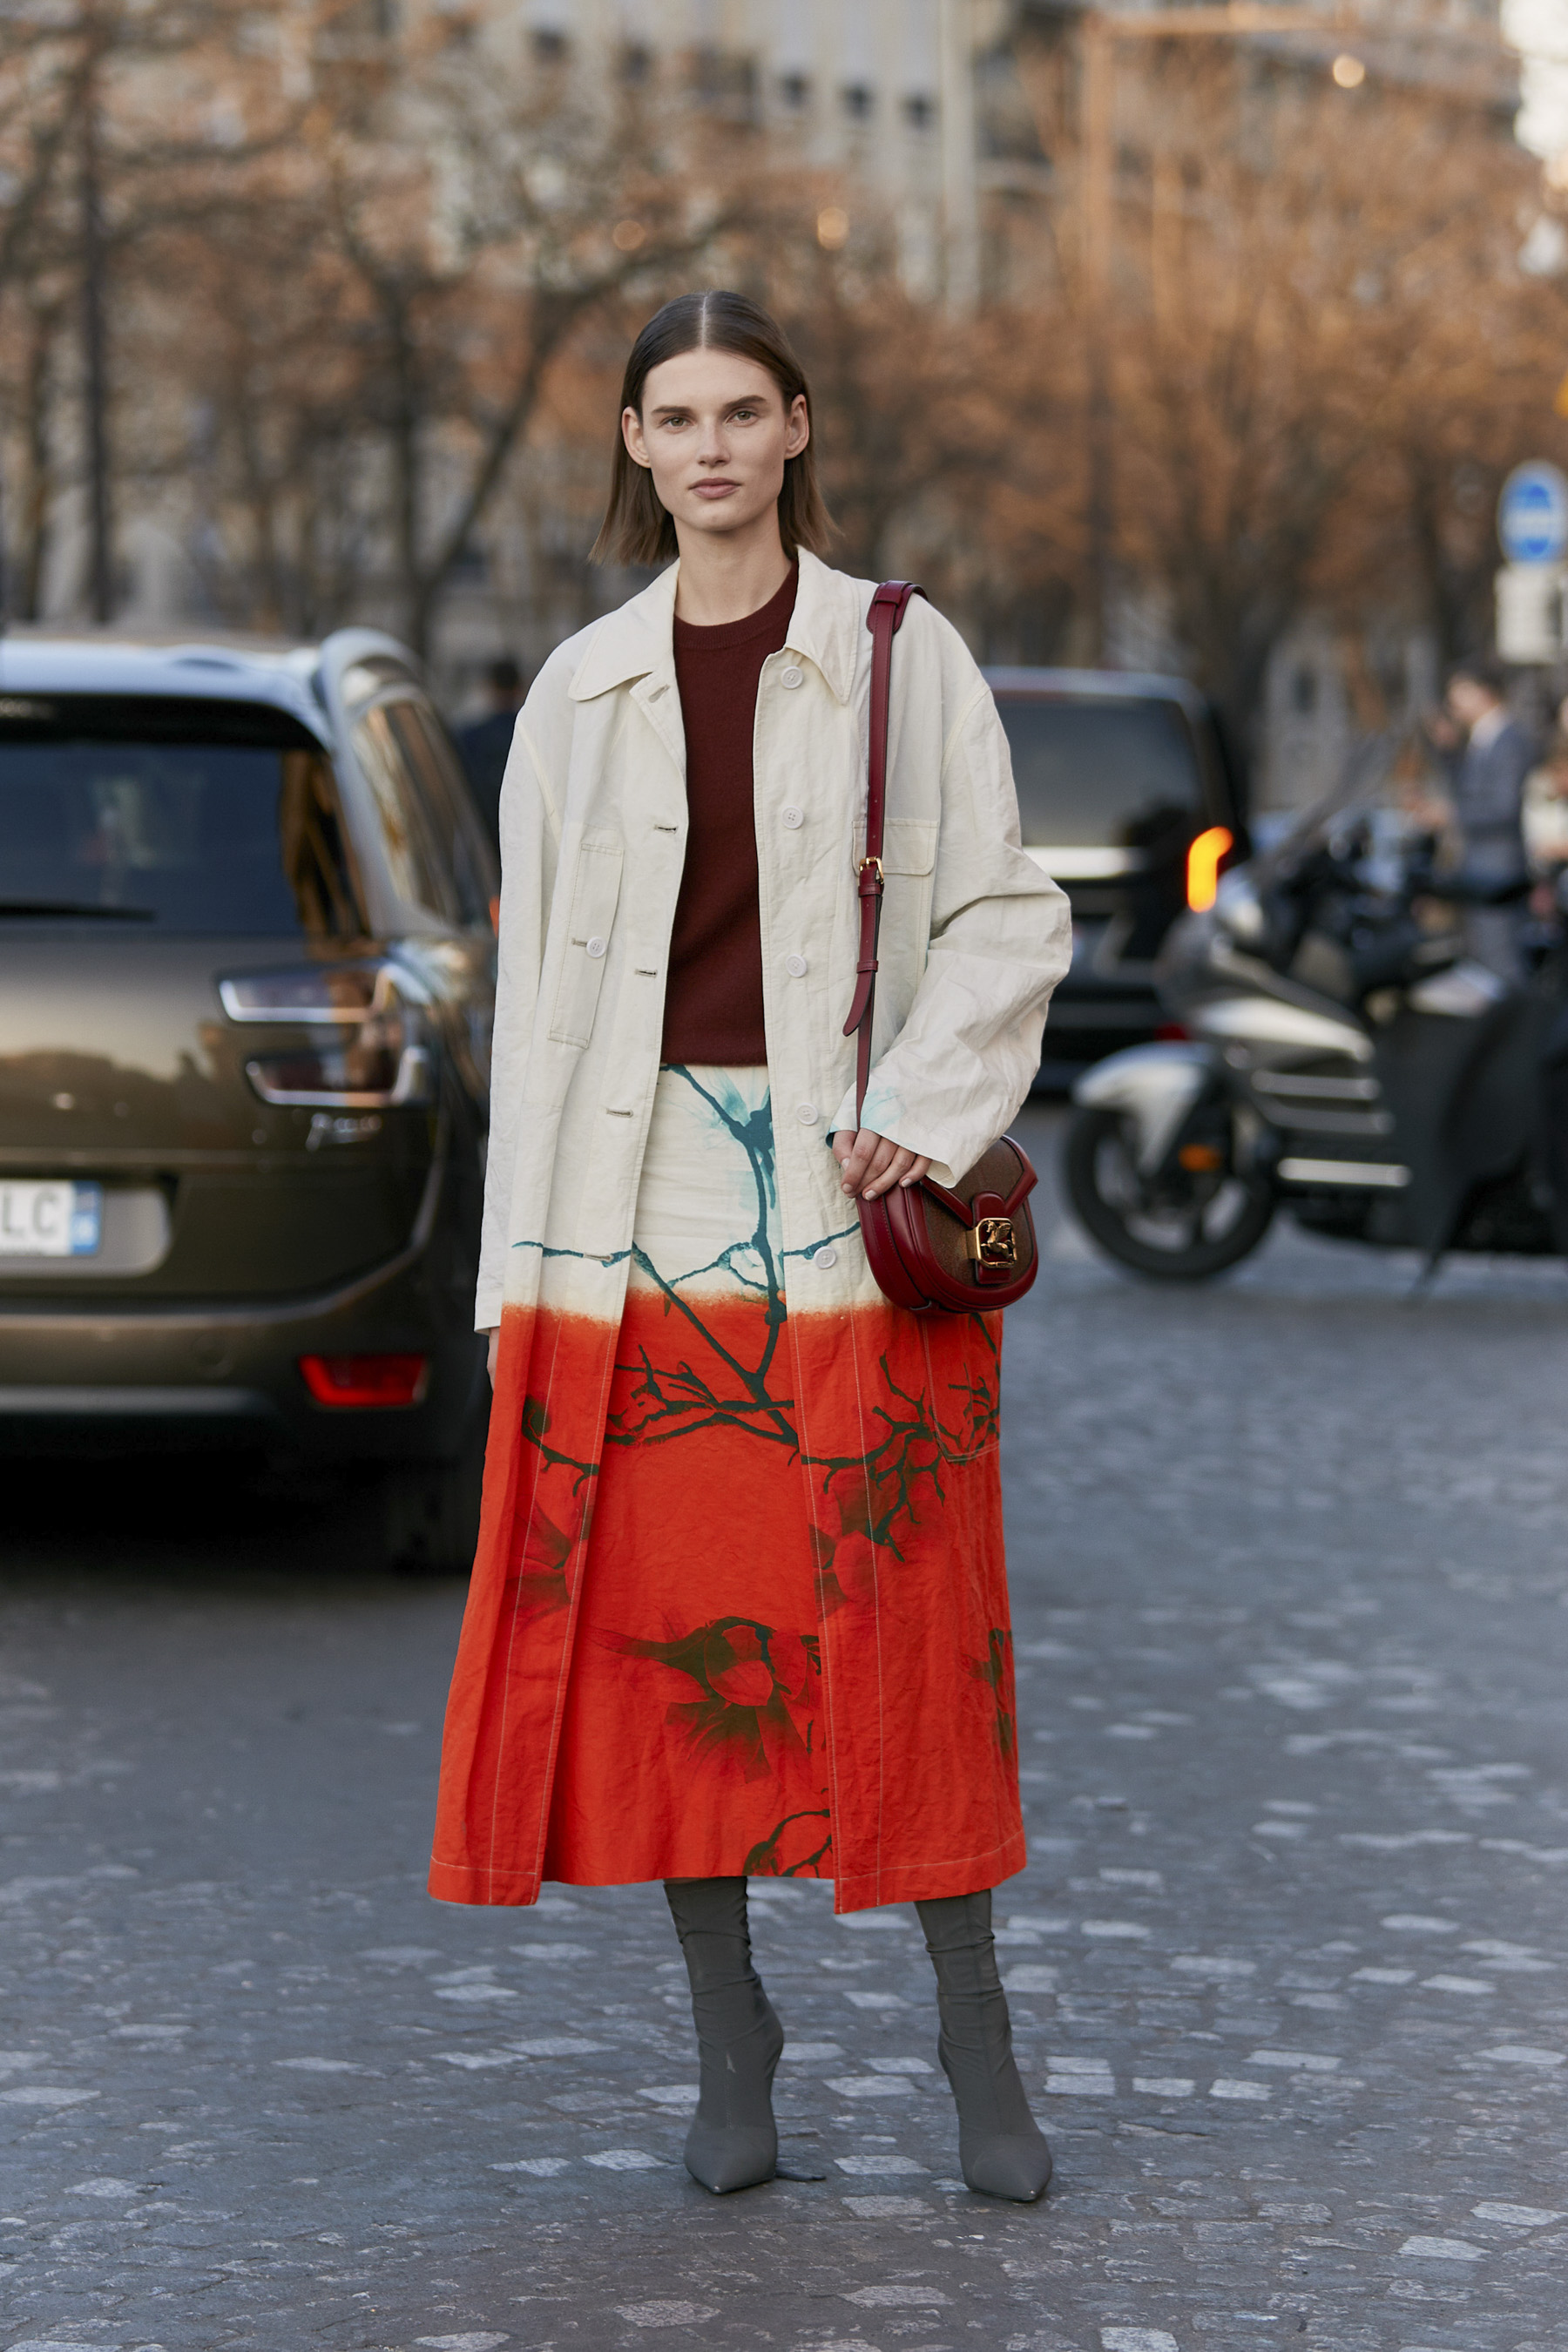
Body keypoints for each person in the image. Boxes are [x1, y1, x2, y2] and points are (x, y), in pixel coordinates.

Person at [427, 290, 1071, 2203]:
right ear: (633, 444)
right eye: (673, 415)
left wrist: (930, 1102)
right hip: (632, 1224)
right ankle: (735, 2041)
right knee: (679, 1652)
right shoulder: (580, 691)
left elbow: (1009, 916)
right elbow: (536, 1002)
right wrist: (511, 1288)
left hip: (852, 1205)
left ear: (798, 429)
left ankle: (979, 2047)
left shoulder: (897, 652)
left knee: (902, 1628)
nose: (709, 445)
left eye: (742, 411)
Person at [1436, 656, 1534, 979]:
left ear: (1484, 692)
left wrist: (1449, 815)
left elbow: (1502, 808)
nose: (1453, 701)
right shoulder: (1478, 739)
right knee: (1483, 966)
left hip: (1499, 872)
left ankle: (1519, 1030)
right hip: (1479, 871)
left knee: (1502, 966)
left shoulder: (1508, 740)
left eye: (1460, 691)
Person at [456, 655, 525, 850]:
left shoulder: (469, 737)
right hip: (521, 841)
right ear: (519, 688)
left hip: (481, 841)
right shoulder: (532, 735)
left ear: (489, 688)